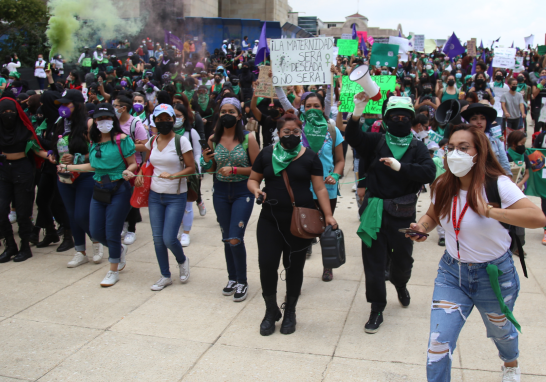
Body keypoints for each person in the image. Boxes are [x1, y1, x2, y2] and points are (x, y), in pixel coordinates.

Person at [407, 124, 546, 382]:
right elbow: (433, 215)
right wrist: (422, 228)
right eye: (450, 148)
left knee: (501, 332)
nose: (455, 153)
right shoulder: (442, 184)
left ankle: (511, 363)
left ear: (478, 152)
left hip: (493, 276)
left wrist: (491, 211)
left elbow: (537, 217)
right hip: (451, 274)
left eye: (463, 148)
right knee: (438, 346)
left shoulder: (498, 185)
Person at [345, 94, 436, 333]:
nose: (399, 119)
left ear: (411, 119)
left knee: (403, 261)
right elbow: (353, 137)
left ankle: (400, 284)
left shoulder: (417, 147)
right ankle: (376, 308)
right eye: (394, 116)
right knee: (374, 263)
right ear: (386, 119)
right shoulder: (376, 141)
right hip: (374, 212)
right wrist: (358, 110)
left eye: (405, 116)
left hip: (403, 214)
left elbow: (429, 172)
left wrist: (401, 167)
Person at [248, 111, 338, 335]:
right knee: (267, 265)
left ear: (301, 133)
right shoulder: (266, 154)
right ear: (278, 133)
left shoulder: (309, 157)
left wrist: (328, 214)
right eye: (286, 132)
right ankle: (271, 311)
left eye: (295, 132)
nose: (290, 135)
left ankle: (290, 311)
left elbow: (319, 188)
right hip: (270, 219)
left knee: (294, 267)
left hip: (300, 221)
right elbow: (253, 179)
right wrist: (256, 190)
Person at [61, 103, 137, 287]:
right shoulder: (93, 142)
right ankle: (118, 250)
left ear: (113, 120)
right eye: (100, 119)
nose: (104, 121)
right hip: (99, 188)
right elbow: (94, 166)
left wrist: (129, 171)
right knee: (95, 230)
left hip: (119, 188)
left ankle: (113, 270)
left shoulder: (122, 139)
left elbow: (133, 163)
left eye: (108, 118)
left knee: (112, 230)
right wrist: (68, 167)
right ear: (94, 122)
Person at [201, 97, 259, 302]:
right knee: (227, 237)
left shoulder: (248, 138)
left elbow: (258, 168)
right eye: (223, 111)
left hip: (243, 191)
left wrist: (235, 169)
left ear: (239, 116)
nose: (227, 115)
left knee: (235, 237)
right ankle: (232, 278)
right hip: (220, 192)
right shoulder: (212, 140)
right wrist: (207, 161)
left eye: (231, 112)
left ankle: (242, 281)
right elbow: (210, 170)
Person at [134, 104, 194, 290]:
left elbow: (191, 168)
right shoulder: (152, 140)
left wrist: (174, 175)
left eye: (166, 118)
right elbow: (147, 160)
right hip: (155, 195)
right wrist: (139, 173)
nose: (163, 122)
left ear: (172, 120)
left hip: (176, 195)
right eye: (159, 119)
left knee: (169, 238)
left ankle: (182, 260)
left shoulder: (181, 141)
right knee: (157, 238)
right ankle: (165, 275)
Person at [54, 90, 104, 267]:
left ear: (77, 105)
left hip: (85, 175)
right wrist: (53, 155)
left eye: (66, 104)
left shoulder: (89, 124)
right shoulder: (60, 123)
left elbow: (98, 153)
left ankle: (98, 242)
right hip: (64, 176)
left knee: (82, 214)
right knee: (71, 214)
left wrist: (77, 158)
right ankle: (80, 251)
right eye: (61, 104)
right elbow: (55, 145)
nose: (62, 108)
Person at [0, 97, 51, 263]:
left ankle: (25, 246)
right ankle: (10, 245)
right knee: (1, 210)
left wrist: (51, 157)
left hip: (22, 170)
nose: (8, 115)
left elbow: (36, 148)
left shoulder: (25, 129)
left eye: (11, 112)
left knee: (23, 211)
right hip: (2, 171)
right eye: (4, 112)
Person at [113, 96, 148, 245]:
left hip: (134, 164)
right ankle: (123, 224)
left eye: (116, 106)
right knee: (120, 197)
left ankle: (131, 229)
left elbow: (146, 146)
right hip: (116, 165)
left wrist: (126, 146)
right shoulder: (113, 123)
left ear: (123, 108)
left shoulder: (135, 124)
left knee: (131, 198)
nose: (114, 108)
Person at [172, 103, 203, 246]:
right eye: (173, 116)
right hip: (171, 174)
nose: (175, 119)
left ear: (185, 117)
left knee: (187, 205)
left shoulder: (191, 133)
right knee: (175, 205)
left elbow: (197, 153)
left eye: (178, 115)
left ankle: (186, 233)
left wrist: (198, 170)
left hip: (188, 174)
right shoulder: (166, 134)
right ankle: (178, 228)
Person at [460, 103, 512, 176]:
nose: (479, 122)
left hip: (493, 182)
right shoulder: (461, 143)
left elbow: (505, 168)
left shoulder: (496, 142)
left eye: (483, 118)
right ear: (468, 122)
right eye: (474, 118)